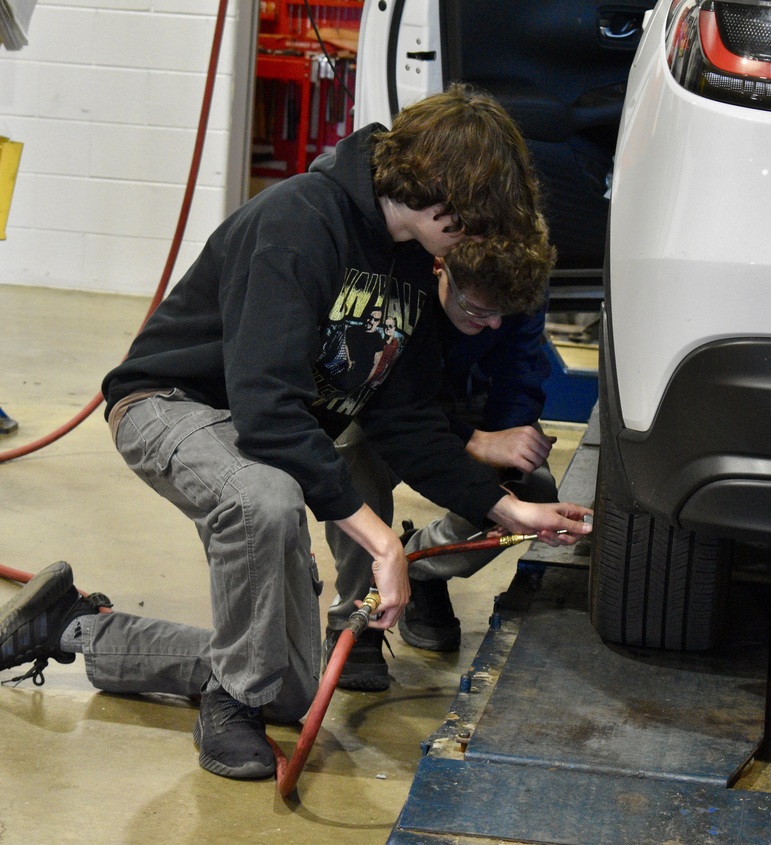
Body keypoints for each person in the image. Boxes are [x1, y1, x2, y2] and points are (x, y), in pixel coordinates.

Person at [0, 84, 592, 782]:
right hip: (169, 403)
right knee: (266, 497)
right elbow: (268, 410)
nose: (478, 240)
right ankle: (229, 702)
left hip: (251, 429)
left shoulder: (406, 264)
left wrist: (510, 509)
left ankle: (73, 627)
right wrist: (381, 544)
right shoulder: (300, 221)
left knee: (288, 684)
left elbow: (405, 421)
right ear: (439, 195)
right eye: (475, 221)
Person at [325, 231, 558, 691]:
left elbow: (520, 373)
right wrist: (474, 441)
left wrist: (506, 450)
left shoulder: (519, 283)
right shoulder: (394, 279)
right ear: (439, 268)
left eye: (503, 314)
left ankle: (421, 570)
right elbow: (388, 407)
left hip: (461, 407)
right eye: (477, 310)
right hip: (386, 407)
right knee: (350, 450)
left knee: (533, 490)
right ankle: (356, 616)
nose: (493, 324)